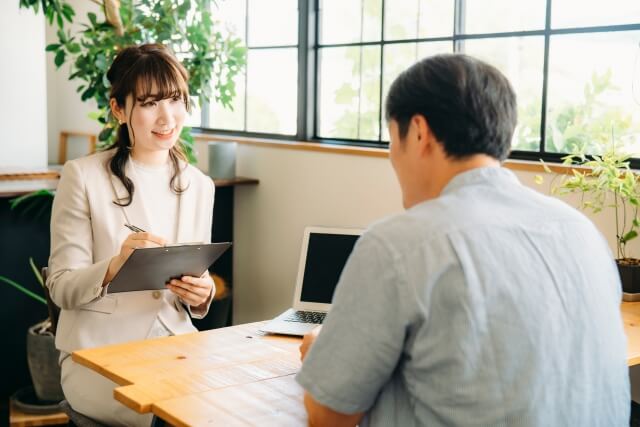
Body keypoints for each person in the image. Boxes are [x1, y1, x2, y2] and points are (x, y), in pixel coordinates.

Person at [296, 54, 630, 426]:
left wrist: (322, 355)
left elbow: (328, 415)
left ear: (419, 132)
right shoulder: (581, 231)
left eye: (392, 140)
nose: (392, 156)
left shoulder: (400, 243)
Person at [47, 43, 216, 427]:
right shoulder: (83, 176)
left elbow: (193, 282)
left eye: (175, 100)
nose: (166, 116)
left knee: (232, 404)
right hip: (100, 355)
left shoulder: (200, 186)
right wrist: (114, 266)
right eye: (149, 103)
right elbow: (61, 287)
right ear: (119, 110)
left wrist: (202, 293)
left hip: (177, 347)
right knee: (170, 416)